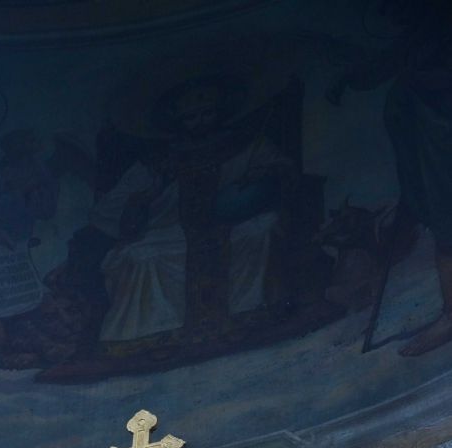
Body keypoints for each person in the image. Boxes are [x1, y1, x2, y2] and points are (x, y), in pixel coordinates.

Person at [89, 75, 295, 349]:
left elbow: (283, 168)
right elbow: (108, 212)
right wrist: (146, 198)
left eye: (207, 113)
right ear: (176, 120)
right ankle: (154, 332)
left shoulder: (246, 144)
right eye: (190, 117)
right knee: (139, 255)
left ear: (220, 111)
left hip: (228, 226)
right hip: (173, 233)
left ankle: (252, 310)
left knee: (264, 227)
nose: (200, 122)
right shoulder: (158, 162)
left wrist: (263, 174)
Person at [326, 0, 452, 356]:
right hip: (427, 158)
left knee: (448, 228)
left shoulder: (434, 41)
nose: (392, 15)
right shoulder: (418, 43)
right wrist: (349, 78)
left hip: (441, 154)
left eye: (398, 8)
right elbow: (388, 64)